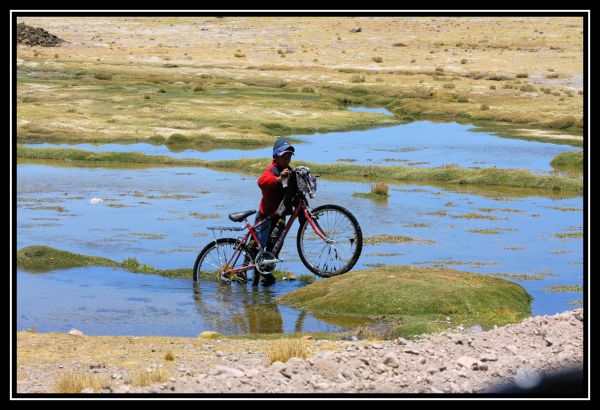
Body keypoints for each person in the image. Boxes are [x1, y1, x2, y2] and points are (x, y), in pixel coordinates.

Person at [252, 138, 295, 286]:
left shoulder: (288, 170)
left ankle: (266, 274)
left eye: (289, 156)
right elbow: (261, 182)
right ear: (275, 156)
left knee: (274, 248)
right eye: (284, 156)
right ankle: (244, 274)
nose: (287, 158)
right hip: (266, 215)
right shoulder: (271, 170)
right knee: (255, 247)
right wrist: (278, 179)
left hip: (279, 216)